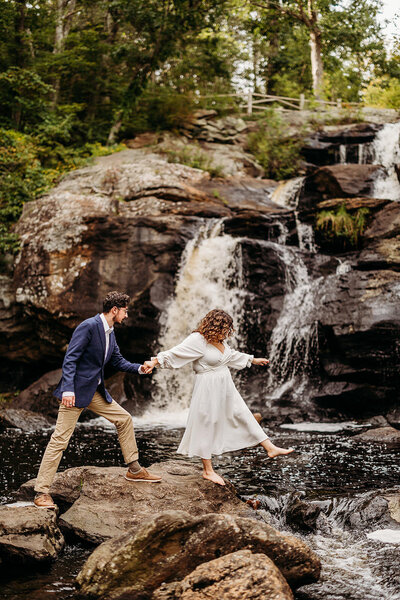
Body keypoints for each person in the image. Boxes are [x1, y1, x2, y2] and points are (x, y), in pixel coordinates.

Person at [34, 291, 161, 509]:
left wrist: (140, 368)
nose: (127, 315)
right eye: (125, 311)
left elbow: (118, 360)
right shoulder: (89, 326)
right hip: (74, 392)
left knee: (124, 419)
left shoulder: (109, 331)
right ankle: (41, 492)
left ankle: (134, 470)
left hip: (94, 391)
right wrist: (67, 390)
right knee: (60, 440)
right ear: (115, 310)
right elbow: (71, 358)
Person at [144, 309, 293, 486]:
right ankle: (208, 471)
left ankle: (270, 448)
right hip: (207, 388)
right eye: (224, 328)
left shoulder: (220, 341)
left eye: (228, 329)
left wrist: (253, 360)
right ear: (214, 326)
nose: (227, 332)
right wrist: (154, 362)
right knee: (207, 423)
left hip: (225, 386)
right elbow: (175, 353)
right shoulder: (198, 340)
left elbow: (231, 357)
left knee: (243, 414)